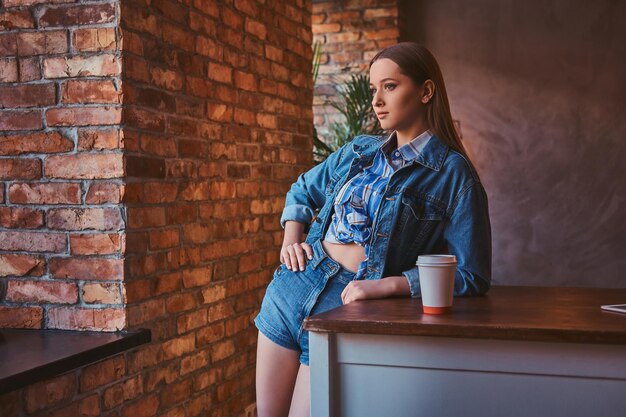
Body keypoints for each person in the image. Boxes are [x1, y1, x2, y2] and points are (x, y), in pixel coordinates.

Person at [254, 42, 492, 417]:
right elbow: (302, 189)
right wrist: (291, 239)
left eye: (390, 86)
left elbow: (471, 274)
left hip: (348, 306)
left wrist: (388, 285)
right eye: (373, 90)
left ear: (426, 91)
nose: (376, 101)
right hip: (292, 287)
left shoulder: (453, 174)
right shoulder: (358, 150)